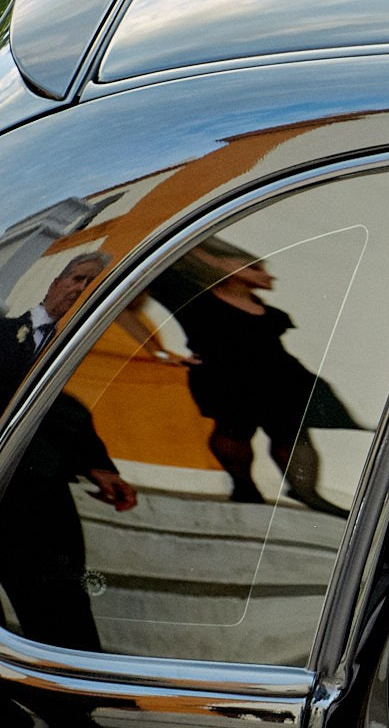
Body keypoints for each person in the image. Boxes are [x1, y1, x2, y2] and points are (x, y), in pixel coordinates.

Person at [148, 239, 359, 517]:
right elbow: (160, 261)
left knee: (292, 433)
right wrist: (159, 352)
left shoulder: (260, 307)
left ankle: (306, 491)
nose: (268, 275)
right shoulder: (193, 298)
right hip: (228, 378)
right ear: (224, 267)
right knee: (235, 430)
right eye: (256, 267)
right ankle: (244, 485)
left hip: (280, 378)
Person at [0, 253, 138, 655]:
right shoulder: (4, 334)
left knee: (63, 610)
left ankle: (75, 711)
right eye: (77, 278)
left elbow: (70, 409)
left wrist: (98, 466)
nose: (80, 290)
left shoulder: (86, 350)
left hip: (39, 497)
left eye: (92, 285)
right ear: (55, 283)